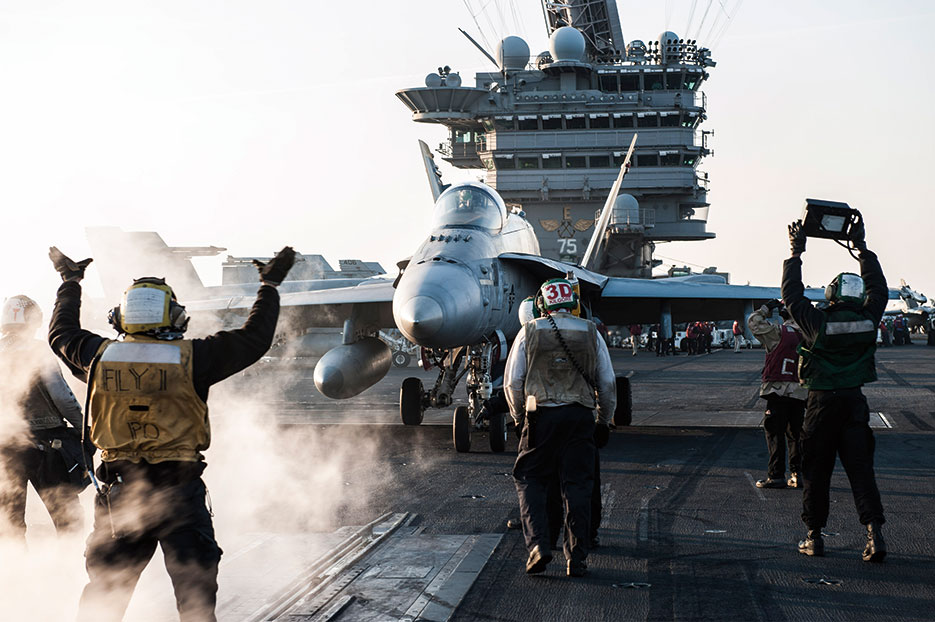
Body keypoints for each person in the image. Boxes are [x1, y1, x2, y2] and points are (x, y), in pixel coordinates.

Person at [47, 245, 295, 621]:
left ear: (119, 318)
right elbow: (254, 338)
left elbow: (61, 332)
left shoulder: (98, 356)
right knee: (195, 603)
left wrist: (70, 282)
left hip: (121, 495)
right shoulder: (194, 358)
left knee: (104, 600)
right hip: (179, 494)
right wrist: (270, 285)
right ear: (176, 317)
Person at [783, 220, 887, 562]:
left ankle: (814, 537)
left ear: (832, 293)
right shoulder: (869, 319)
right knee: (861, 472)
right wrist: (862, 248)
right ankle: (874, 536)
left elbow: (792, 296)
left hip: (822, 404)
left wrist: (796, 252)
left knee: (816, 473)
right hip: (854, 403)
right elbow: (879, 288)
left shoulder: (818, 323)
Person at [504, 278, 615, 577]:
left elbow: (513, 382)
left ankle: (538, 545)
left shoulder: (529, 332)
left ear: (542, 303)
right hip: (580, 418)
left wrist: (518, 418)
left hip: (541, 418)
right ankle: (576, 557)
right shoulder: (592, 332)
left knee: (529, 479)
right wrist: (604, 420)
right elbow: (606, 383)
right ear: (574, 303)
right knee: (578, 485)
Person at [0, 295, 89, 540]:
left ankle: (17, 575)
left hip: (5, 446)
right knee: (68, 520)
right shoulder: (37, 351)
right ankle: (70, 571)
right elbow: (63, 398)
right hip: (47, 445)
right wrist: (85, 429)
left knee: (10, 525)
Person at [747, 300, 807, 489]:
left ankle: (776, 475)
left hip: (777, 390)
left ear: (784, 315)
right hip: (800, 392)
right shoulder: (809, 334)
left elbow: (754, 322)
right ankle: (798, 475)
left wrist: (765, 309)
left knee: (775, 434)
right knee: (796, 434)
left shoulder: (779, 332)